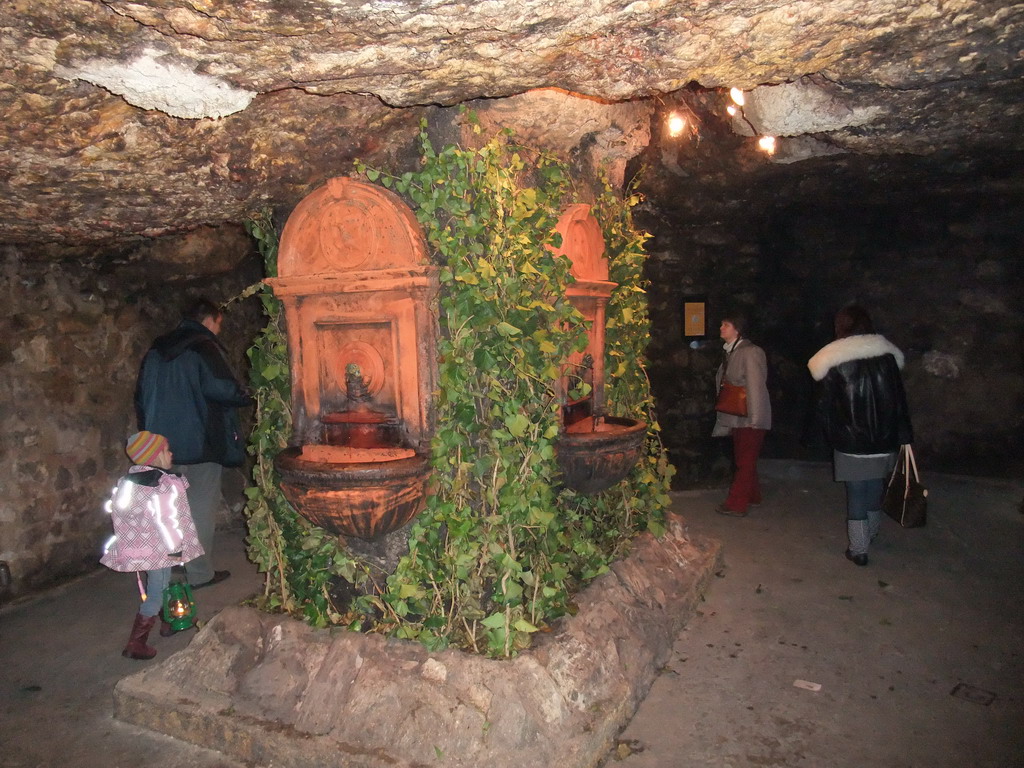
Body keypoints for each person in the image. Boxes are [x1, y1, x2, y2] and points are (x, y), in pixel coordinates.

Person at [134, 298, 250, 590]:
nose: (219, 329)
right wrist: (248, 394)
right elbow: (223, 389)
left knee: (169, 509)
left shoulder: (156, 351)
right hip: (200, 444)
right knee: (199, 507)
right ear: (210, 320)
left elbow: (141, 397)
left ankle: (168, 568)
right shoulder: (202, 347)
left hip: (161, 448)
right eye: (219, 323)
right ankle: (199, 573)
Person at [807, 305, 913, 566]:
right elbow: (900, 401)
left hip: (851, 440)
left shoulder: (834, 360)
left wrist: (826, 436)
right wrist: (904, 435)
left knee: (856, 491)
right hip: (883, 439)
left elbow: (824, 406)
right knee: (875, 486)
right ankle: (872, 533)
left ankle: (858, 548)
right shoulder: (887, 358)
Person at [101, 431, 204, 659]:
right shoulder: (162, 483)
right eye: (167, 450)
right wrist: (176, 548)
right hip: (160, 549)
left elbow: (119, 512)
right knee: (157, 591)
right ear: (155, 456)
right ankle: (136, 644)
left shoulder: (129, 482)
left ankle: (167, 623)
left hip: (140, 548)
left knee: (162, 585)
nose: (171, 453)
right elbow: (167, 520)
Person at [712, 313, 772, 517]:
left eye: (725, 325)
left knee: (744, 460)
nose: (721, 328)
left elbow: (756, 387)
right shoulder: (733, 352)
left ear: (737, 329)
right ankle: (752, 495)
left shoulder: (750, 352)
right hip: (739, 414)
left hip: (749, 416)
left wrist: (756, 420)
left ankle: (737, 503)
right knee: (745, 458)